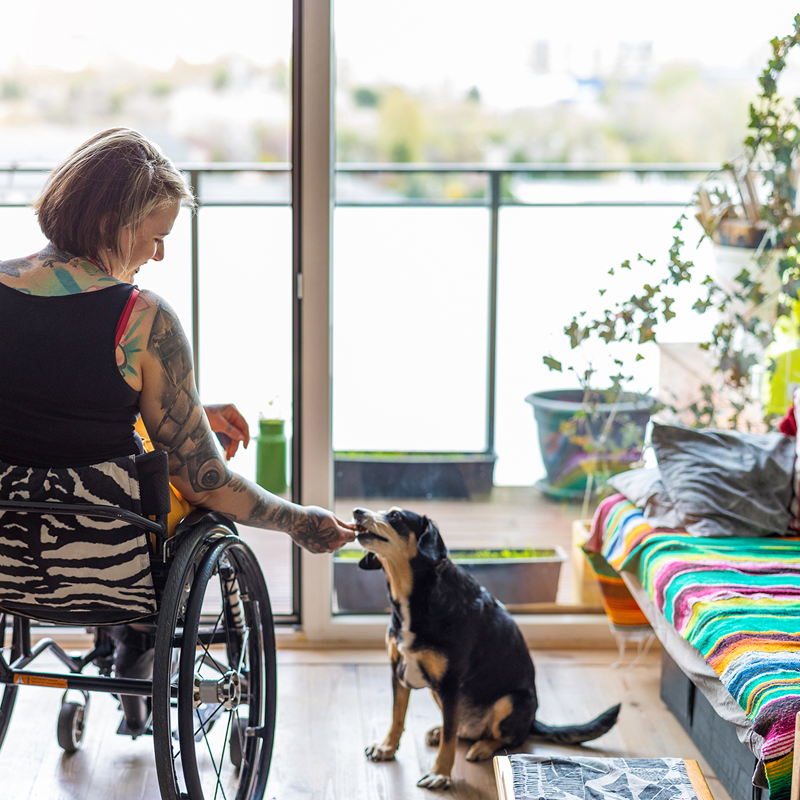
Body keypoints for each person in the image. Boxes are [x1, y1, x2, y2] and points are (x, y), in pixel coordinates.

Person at [0, 127, 356, 729]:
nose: (159, 255)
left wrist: (166, 410)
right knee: (191, 505)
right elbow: (207, 482)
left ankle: (126, 652)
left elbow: (47, 414)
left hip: (10, 551)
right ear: (114, 219)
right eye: (156, 236)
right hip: (107, 560)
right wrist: (300, 521)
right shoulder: (142, 319)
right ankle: (139, 645)